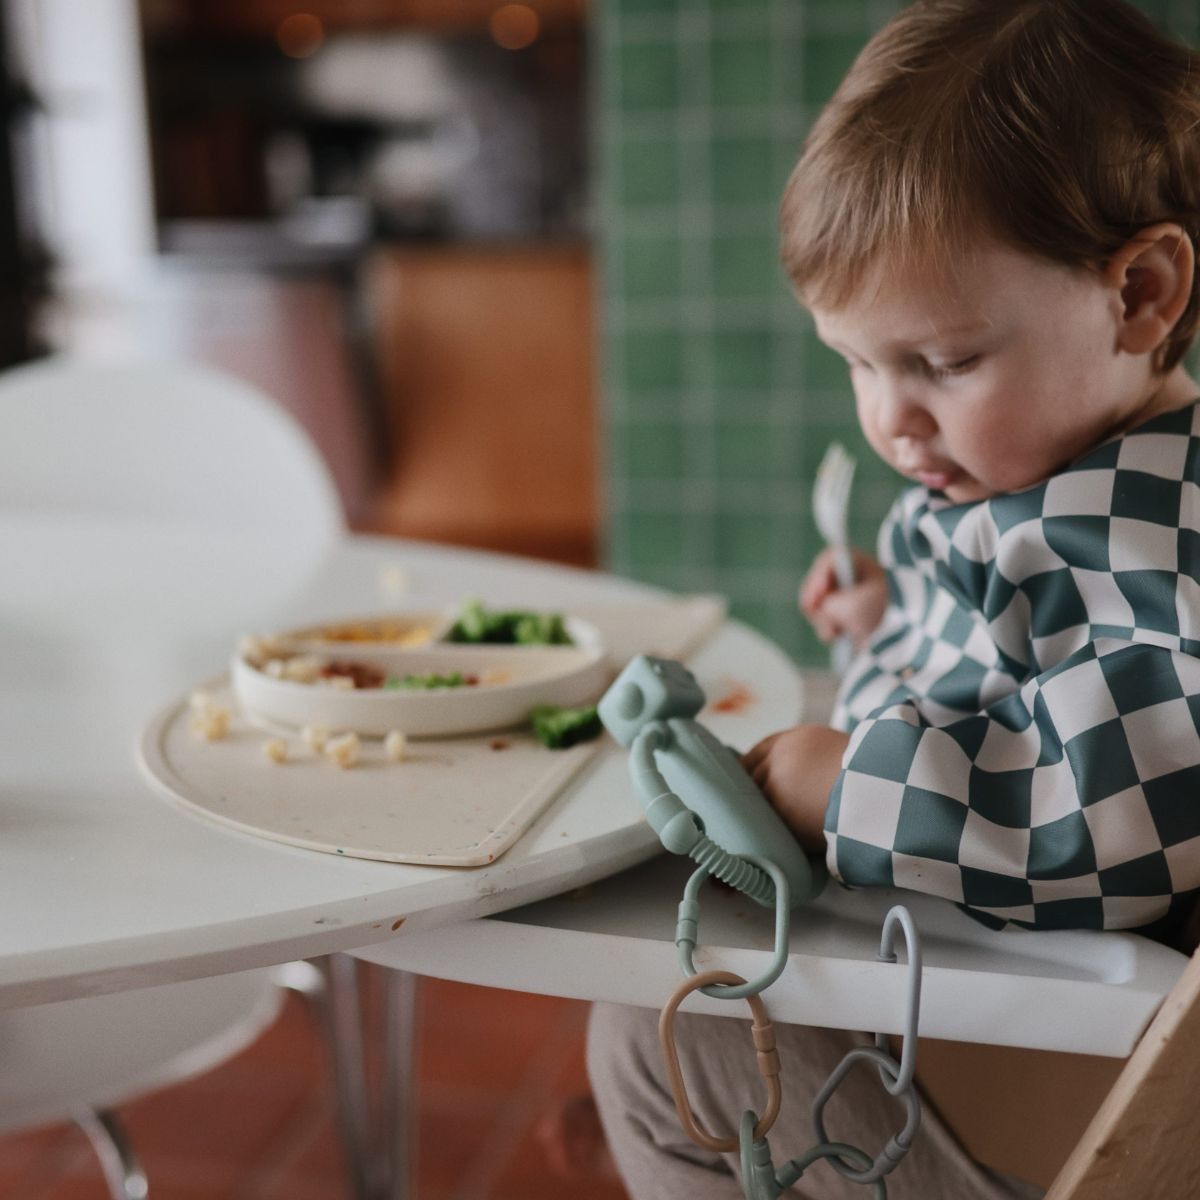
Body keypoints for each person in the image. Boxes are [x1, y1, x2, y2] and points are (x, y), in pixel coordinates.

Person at [585, 2, 1200, 1196]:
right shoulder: (1058, 482)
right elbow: (1033, 676)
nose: (887, 418)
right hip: (999, 1014)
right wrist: (894, 622)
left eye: (944, 362)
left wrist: (848, 785)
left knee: (667, 1043)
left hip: (1095, 1098)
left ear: (1141, 293)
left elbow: (1116, 805)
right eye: (857, 364)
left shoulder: (1150, 532)